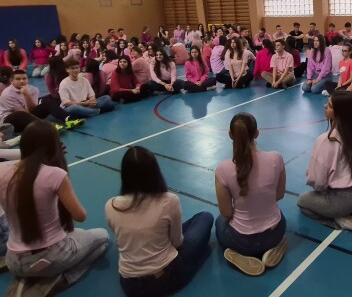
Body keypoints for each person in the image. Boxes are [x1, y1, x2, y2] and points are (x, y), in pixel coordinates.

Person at [0, 121, 109, 293]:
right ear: (53, 145)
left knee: (78, 235)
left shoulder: (2, 170)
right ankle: (55, 280)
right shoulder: (55, 174)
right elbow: (80, 216)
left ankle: (26, 279)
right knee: (102, 238)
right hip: (49, 257)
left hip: (13, 258)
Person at [106, 146, 213, 296]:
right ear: (154, 172)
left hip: (129, 284)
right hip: (165, 278)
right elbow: (177, 243)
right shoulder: (168, 201)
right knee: (205, 217)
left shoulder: (111, 205)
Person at [215, 113, 288, 276]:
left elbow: (226, 212)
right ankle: (272, 248)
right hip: (276, 231)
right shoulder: (276, 158)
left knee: (219, 223)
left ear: (230, 135)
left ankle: (240, 254)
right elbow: (279, 195)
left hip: (242, 241)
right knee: (276, 213)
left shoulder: (223, 169)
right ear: (257, 133)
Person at [297, 91, 352, 234]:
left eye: (330, 106)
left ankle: (337, 219)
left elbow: (318, 182)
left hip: (340, 200)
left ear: (340, 113)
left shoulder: (325, 140)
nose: (325, 106)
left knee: (302, 201)